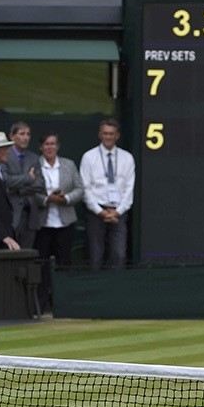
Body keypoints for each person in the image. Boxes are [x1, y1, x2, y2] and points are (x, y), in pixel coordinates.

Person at [34, 132, 85, 312]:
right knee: (42, 264)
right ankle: (40, 304)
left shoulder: (69, 165)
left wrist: (66, 198)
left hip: (65, 222)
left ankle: (63, 302)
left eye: (53, 144)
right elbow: (31, 191)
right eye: (46, 144)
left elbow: (80, 189)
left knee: (64, 262)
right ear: (41, 147)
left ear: (58, 146)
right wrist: (47, 199)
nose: (49, 147)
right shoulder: (35, 165)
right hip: (43, 223)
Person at [80, 118, 135, 270]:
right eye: (105, 133)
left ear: (117, 135)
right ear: (100, 134)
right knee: (95, 256)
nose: (108, 137)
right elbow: (85, 188)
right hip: (96, 212)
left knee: (119, 255)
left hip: (119, 212)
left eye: (111, 134)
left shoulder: (127, 158)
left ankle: (116, 288)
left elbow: (129, 189)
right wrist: (100, 212)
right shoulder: (89, 157)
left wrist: (117, 212)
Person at [1, 121, 46, 248]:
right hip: (11, 215)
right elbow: (6, 181)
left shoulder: (34, 158)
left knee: (27, 255)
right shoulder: (4, 156)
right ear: (12, 136)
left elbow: (40, 184)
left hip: (30, 215)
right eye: (22, 134)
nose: (25, 137)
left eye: (28, 134)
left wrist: (18, 189)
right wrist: (28, 178)